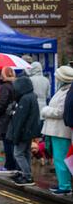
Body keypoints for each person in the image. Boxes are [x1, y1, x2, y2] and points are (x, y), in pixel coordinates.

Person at [41, 65, 73, 196]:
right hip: (56, 130)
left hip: (60, 131)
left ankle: (65, 186)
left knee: (61, 159)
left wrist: (45, 110)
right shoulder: (64, 89)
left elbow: (60, 112)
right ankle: (62, 183)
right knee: (59, 158)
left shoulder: (67, 91)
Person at [6, 76, 40, 186]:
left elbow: (20, 119)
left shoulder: (25, 99)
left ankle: (27, 176)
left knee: (18, 154)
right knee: (26, 153)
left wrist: (16, 135)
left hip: (23, 132)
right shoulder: (32, 96)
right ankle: (25, 174)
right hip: (29, 131)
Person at [0, 67, 18, 174]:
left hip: (5, 118)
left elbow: (2, 103)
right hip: (12, 118)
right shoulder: (14, 85)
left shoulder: (4, 87)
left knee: (7, 142)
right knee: (10, 143)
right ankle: (13, 164)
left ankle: (9, 166)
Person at [26, 61, 50, 126]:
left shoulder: (29, 79)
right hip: (43, 106)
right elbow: (48, 95)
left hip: (33, 106)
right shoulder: (46, 80)